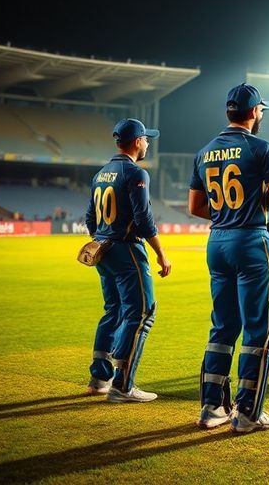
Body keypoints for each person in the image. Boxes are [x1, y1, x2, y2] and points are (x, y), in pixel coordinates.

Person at [189, 83, 269, 433]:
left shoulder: (203, 152)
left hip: (217, 240)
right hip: (251, 240)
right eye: (261, 110)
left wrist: (226, 214)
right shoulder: (261, 148)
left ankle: (211, 407)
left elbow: (195, 206)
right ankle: (248, 413)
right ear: (253, 112)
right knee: (260, 328)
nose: (261, 115)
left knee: (222, 326)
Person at [84, 118, 171, 403]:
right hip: (127, 250)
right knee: (142, 312)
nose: (148, 144)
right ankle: (123, 385)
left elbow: (89, 218)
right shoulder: (135, 173)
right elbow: (144, 220)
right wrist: (161, 253)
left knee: (113, 311)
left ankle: (99, 378)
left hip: (104, 249)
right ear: (136, 142)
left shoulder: (100, 174)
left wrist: (102, 239)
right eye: (146, 139)